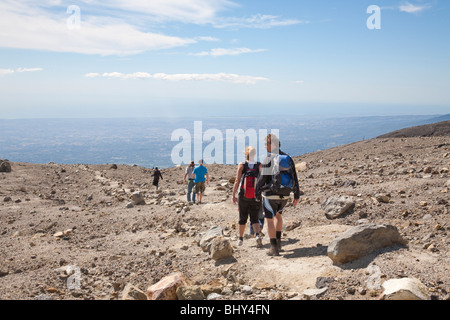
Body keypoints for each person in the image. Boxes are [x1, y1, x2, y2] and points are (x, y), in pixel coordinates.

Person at [255, 134, 300, 256]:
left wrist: (257, 192)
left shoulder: (269, 159)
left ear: (273, 144)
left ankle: (273, 248)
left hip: (270, 195)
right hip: (285, 195)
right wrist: (296, 195)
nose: (265, 146)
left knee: (269, 220)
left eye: (266, 144)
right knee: (278, 216)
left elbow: (262, 179)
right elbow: (294, 176)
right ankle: (279, 243)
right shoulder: (287, 158)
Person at [232, 146, 263, 248]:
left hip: (243, 195)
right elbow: (262, 180)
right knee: (254, 217)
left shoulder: (242, 165)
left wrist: (233, 195)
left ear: (246, 154)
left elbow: (237, 180)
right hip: (255, 196)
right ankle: (258, 235)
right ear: (254, 154)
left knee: (242, 217)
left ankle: (240, 239)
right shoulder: (259, 165)